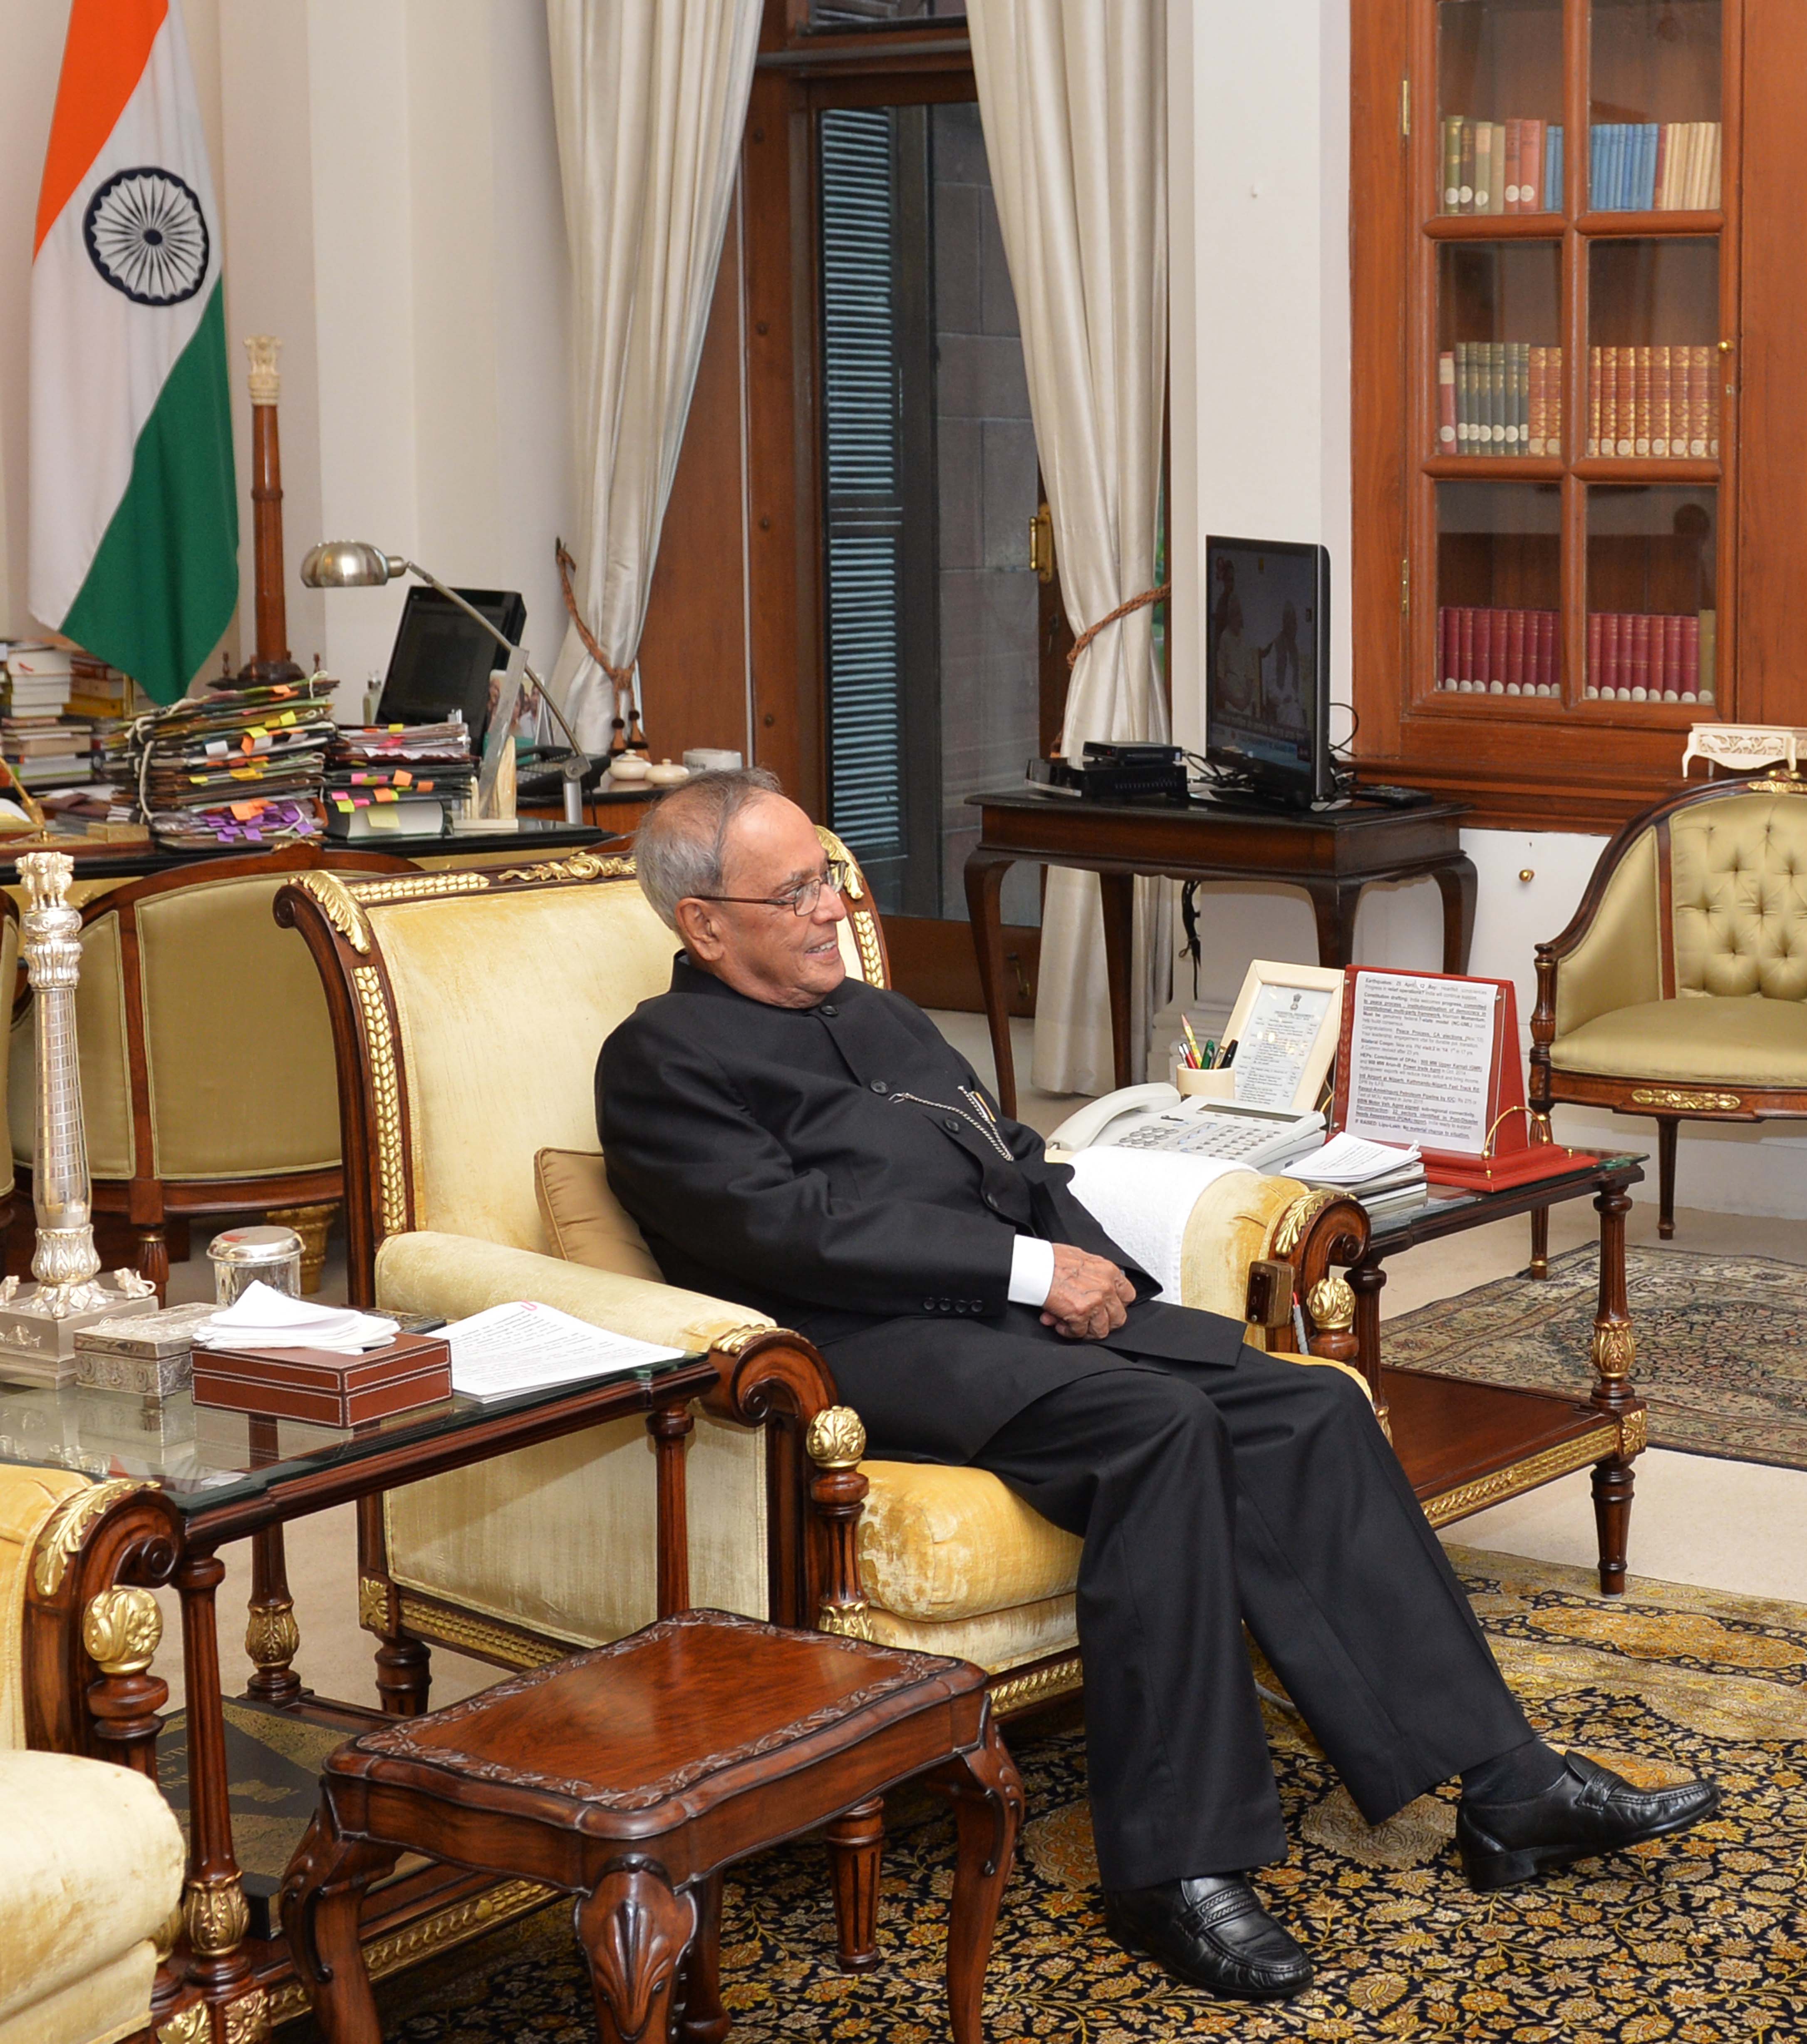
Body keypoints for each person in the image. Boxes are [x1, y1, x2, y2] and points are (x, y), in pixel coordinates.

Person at [596, 771, 1720, 2001]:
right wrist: (1035, 1270)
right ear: (705, 923)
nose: (831, 907)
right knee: (1160, 1426)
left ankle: (1508, 1785)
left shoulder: (876, 1013)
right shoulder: (660, 1060)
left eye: (827, 873)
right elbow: (791, 1234)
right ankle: (1173, 1870)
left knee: (1305, 1407)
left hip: (1011, 1314)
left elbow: (1016, 1160)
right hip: (868, 1351)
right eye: (797, 890)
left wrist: (1100, 1268)